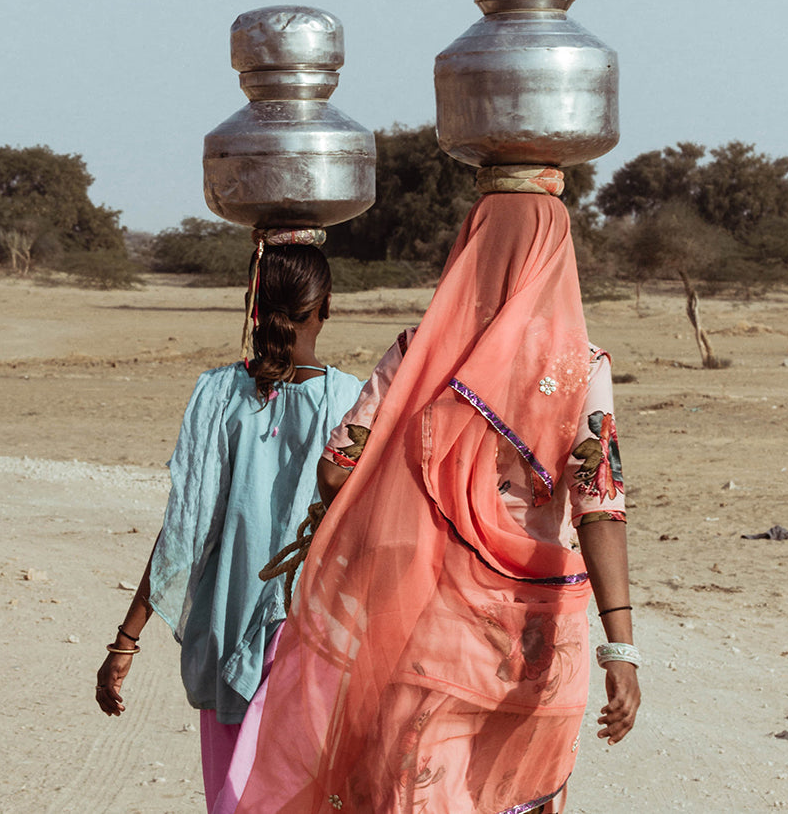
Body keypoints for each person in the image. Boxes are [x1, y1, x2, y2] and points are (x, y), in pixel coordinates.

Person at [233, 171, 641, 813]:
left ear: (471, 251)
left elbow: (339, 467)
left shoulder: (417, 353)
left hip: (425, 622)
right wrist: (621, 647)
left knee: (417, 791)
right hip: (537, 638)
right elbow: (600, 504)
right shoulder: (581, 366)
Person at [94, 236, 363, 814]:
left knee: (232, 796)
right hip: (315, 634)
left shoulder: (219, 393)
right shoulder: (356, 401)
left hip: (226, 621)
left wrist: (127, 639)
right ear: (327, 306)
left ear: (254, 301)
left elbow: (184, 532)